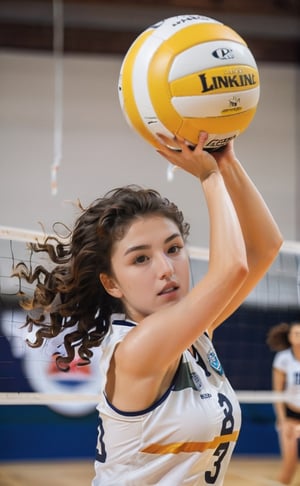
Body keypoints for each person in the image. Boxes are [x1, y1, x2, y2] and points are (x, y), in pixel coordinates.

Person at [16, 131, 282, 485]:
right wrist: (208, 177)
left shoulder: (195, 336)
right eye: (140, 258)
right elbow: (233, 268)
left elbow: (265, 247)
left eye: (173, 248)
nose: (165, 269)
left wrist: (226, 162)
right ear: (111, 283)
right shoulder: (138, 350)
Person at [267, 321, 300, 485]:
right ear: (289, 337)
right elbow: (277, 392)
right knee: (290, 464)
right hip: (290, 414)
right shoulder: (283, 359)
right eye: (296, 334)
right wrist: (282, 419)